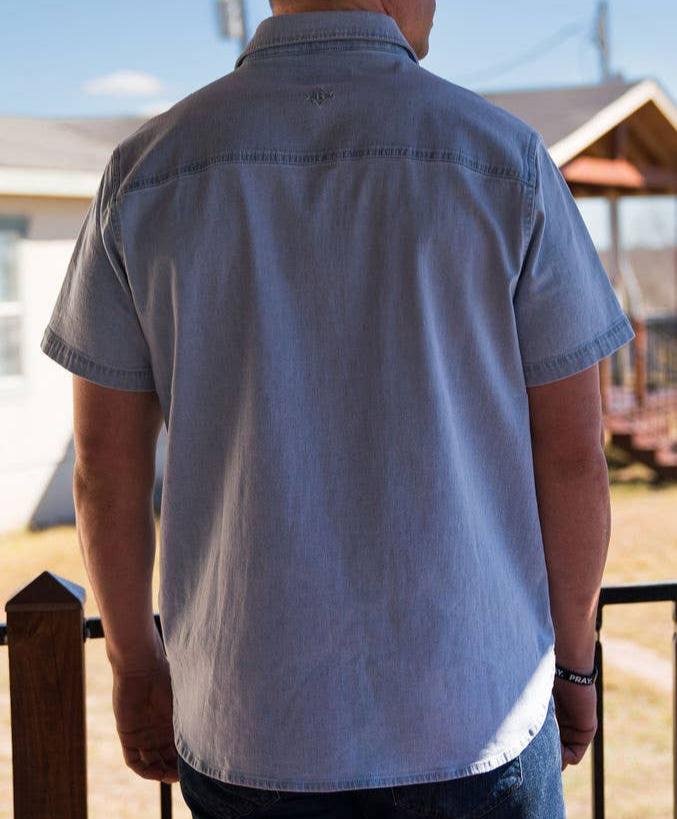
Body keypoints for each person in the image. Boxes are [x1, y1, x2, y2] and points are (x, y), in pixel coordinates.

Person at [40, 0, 635, 816]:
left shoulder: (148, 172)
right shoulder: (505, 162)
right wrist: (572, 666)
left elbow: (104, 470)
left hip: (248, 732)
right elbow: (571, 456)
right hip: (477, 718)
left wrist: (138, 667)